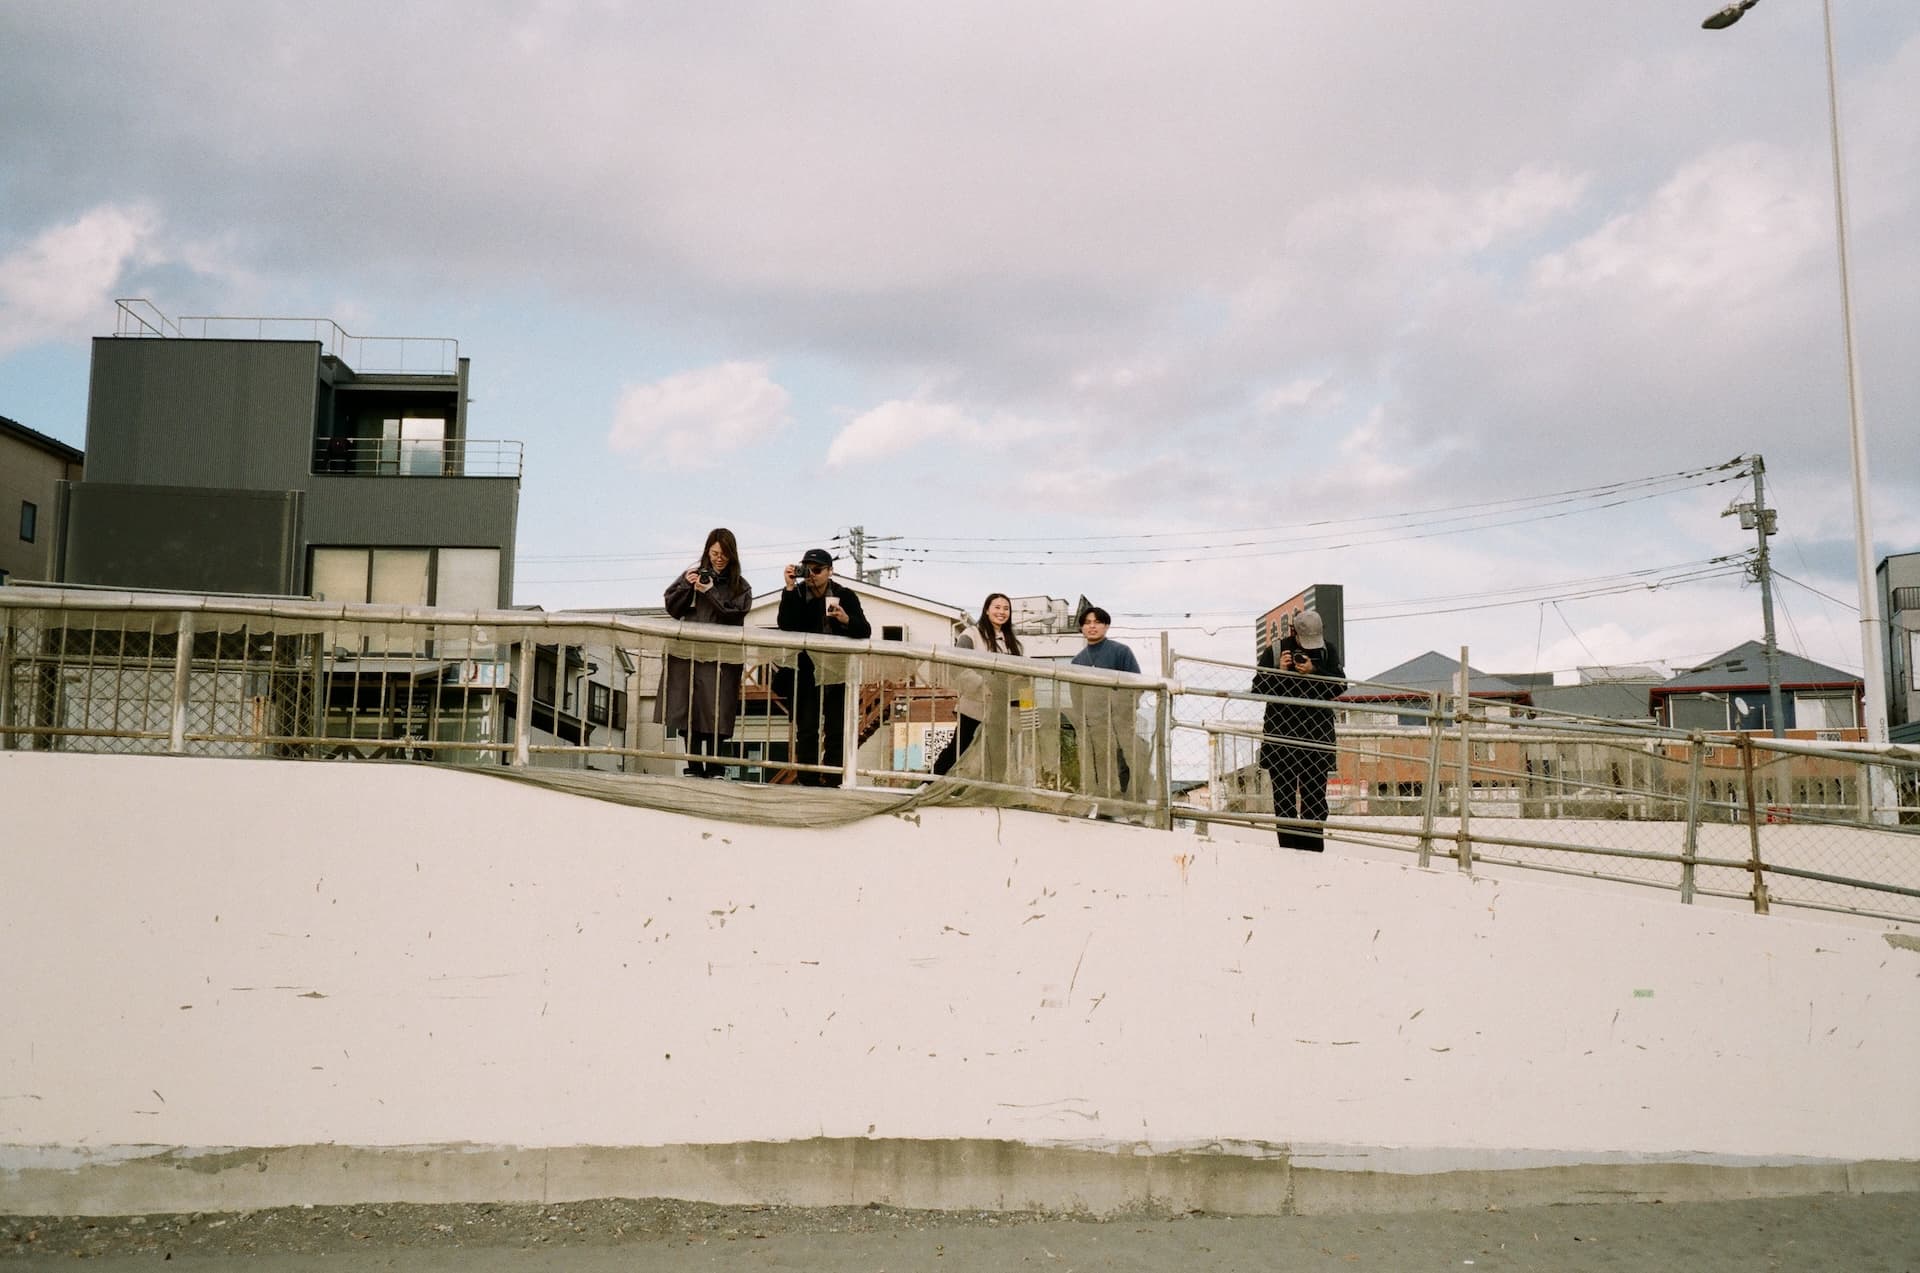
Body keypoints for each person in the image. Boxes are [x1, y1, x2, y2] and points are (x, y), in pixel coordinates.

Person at [656, 528, 753, 777]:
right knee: (689, 708)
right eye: (715, 553)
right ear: (707, 552)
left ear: (733, 556)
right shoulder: (693, 575)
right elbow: (672, 608)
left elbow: (735, 614)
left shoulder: (739, 586)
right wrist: (686, 586)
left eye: (724, 554)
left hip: (722, 656)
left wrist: (709, 593)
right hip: (688, 653)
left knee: (718, 710)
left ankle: (716, 766)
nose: (719, 558)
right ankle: (694, 765)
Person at [775, 547, 872, 786]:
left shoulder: (844, 595)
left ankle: (832, 779)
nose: (811, 575)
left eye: (817, 570)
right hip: (806, 672)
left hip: (837, 671)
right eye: (806, 569)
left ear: (830, 571)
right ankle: (807, 779)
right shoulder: (796, 593)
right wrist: (788, 588)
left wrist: (845, 619)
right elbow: (785, 625)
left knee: (836, 730)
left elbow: (864, 630)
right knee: (806, 728)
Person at [1252, 610, 1347, 851]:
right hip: (1281, 736)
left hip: (1316, 736)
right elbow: (1258, 690)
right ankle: (1288, 851)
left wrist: (1315, 671)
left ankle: (1313, 851)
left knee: (1315, 800)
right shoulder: (1275, 652)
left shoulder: (1326, 651)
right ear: (1293, 632)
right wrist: (1279, 672)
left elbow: (1340, 686)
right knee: (1283, 800)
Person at [932, 592, 1024, 779]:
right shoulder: (971, 634)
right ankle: (928, 783)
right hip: (975, 704)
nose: (1002, 612)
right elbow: (956, 667)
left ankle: (990, 791)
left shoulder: (1015, 643)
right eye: (997, 607)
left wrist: (1022, 704)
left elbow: (1021, 678)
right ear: (987, 610)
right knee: (958, 747)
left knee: (999, 753)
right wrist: (982, 686)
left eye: (1006, 608)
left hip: (1003, 708)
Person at [1070, 605, 1140, 798]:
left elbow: (1136, 684)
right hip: (1094, 724)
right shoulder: (1077, 661)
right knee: (1100, 763)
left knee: (1126, 762)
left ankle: (1132, 807)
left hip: (1121, 721)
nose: (1092, 627)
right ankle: (1105, 804)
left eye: (1097, 622)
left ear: (1106, 626)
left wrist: (1123, 711)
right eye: (1087, 623)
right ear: (1082, 628)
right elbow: (1076, 695)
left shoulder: (1121, 651)